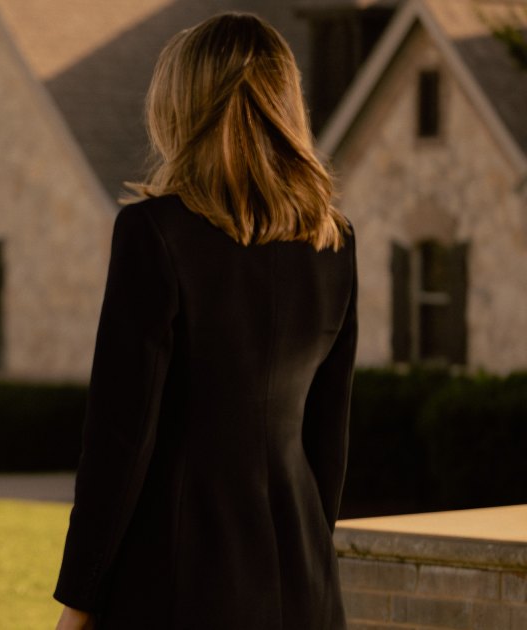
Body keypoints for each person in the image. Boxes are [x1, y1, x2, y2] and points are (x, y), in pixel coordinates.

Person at [54, 13, 356, 630]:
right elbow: (329, 434)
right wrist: (310, 555)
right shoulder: (333, 242)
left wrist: (78, 603)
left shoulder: (153, 233)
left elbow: (120, 438)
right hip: (303, 577)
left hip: (180, 578)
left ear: (183, 107)